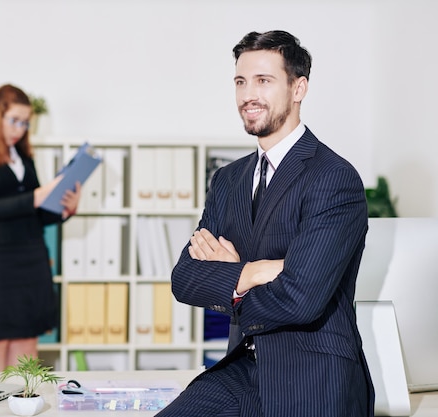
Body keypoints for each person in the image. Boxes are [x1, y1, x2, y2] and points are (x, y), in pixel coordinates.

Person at [157, 31, 374, 417]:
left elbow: (301, 299)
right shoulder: (228, 180)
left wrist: (230, 280)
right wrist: (255, 271)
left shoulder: (334, 178)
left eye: (263, 81)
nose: (247, 95)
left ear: (298, 88)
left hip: (312, 376)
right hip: (242, 367)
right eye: (240, 82)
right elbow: (185, 278)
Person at [0, 84, 81, 371]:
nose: (20, 128)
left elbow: (34, 215)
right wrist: (39, 195)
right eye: (14, 120)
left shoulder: (24, 158)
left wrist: (66, 209)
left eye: (25, 123)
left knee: (27, 348)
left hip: (30, 257)